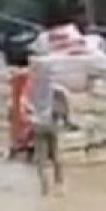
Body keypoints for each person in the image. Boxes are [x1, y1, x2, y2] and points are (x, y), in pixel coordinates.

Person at [26, 64, 70, 196]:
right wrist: (66, 121)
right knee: (56, 154)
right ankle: (59, 185)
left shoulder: (34, 89)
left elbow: (29, 107)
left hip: (38, 126)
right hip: (51, 124)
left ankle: (44, 187)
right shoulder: (57, 90)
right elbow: (63, 108)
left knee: (41, 159)